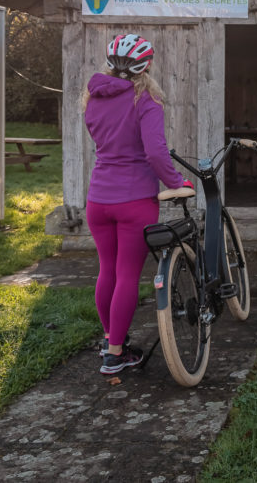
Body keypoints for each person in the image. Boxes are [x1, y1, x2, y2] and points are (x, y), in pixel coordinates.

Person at [83, 34, 191, 374]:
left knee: (108, 271)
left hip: (98, 199)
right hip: (134, 200)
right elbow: (155, 153)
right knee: (128, 275)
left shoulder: (92, 97)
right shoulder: (146, 99)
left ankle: (111, 340)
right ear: (148, 65)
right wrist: (177, 183)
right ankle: (115, 355)